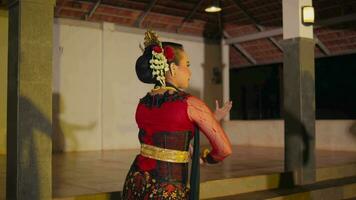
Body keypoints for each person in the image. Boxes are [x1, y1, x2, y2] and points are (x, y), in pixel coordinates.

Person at [122, 30, 232, 200]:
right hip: (167, 191)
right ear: (173, 68)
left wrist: (212, 119)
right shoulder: (190, 103)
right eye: (187, 65)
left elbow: (169, 129)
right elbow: (224, 149)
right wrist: (207, 158)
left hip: (135, 185)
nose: (190, 72)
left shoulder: (143, 103)